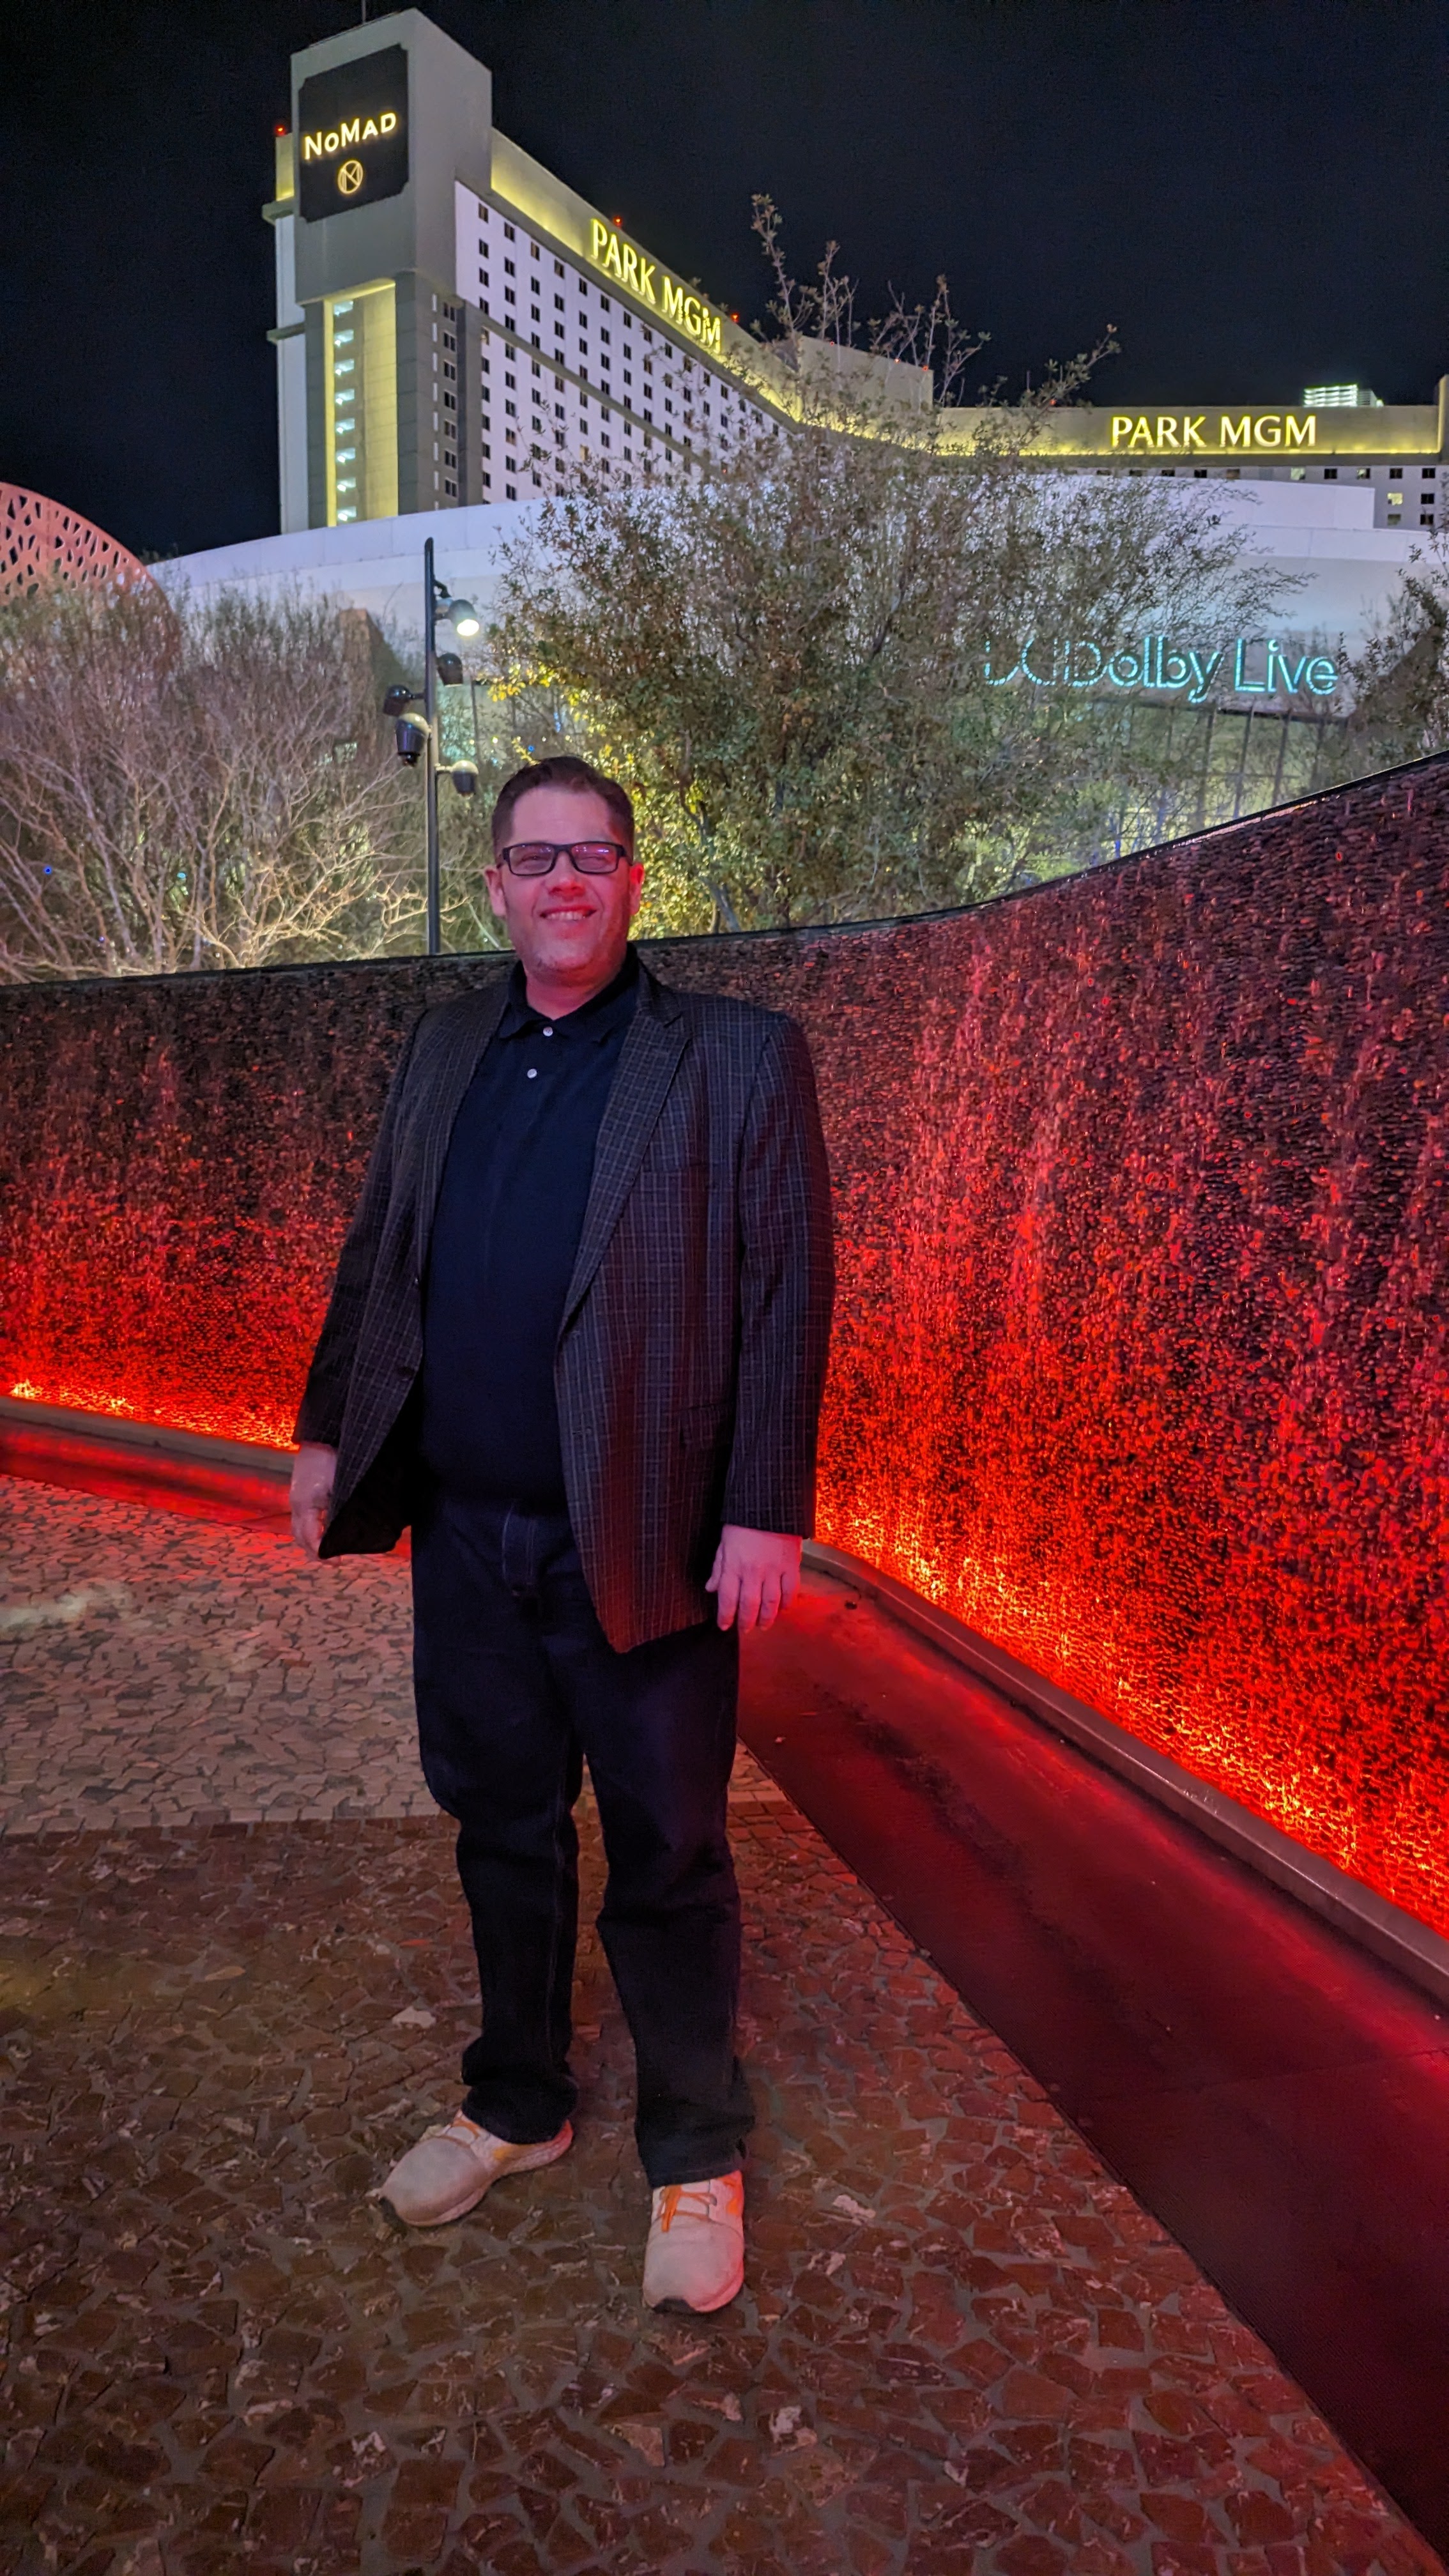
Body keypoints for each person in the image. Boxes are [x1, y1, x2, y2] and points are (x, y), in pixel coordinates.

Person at [289, 756, 833, 2315]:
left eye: (592, 856)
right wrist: (327, 1431)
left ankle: (695, 2150)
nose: (565, 882)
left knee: (670, 1850)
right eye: (536, 860)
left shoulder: (735, 1056)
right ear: (499, 888)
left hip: (650, 1539)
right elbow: (379, 1251)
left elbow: (790, 1288)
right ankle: (519, 2100)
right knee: (501, 1828)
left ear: (634, 881)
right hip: (466, 1529)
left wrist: (764, 1509)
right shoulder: (444, 1044)